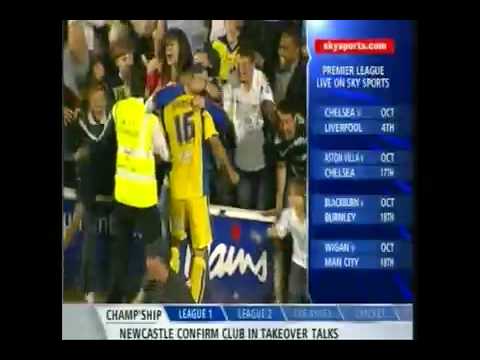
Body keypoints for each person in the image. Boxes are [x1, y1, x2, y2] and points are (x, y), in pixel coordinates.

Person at [153, 64, 239, 303]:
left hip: (176, 187)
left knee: (175, 244)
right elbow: (215, 143)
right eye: (202, 79)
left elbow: (161, 148)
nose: (205, 84)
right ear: (192, 80)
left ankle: (169, 297)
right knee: (200, 251)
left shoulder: (167, 109)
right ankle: (193, 304)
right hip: (197, 189)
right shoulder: (201, 110)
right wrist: (230, 171)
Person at [98, 74, 170, 303]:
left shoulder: (119, 110)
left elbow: (106, 142)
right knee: (155, 251)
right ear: (147, 92)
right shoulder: (151, 120)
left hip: (122, 194)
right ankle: (152, 300)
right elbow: (165, 154)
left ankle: (114, 300)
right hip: (144, 198)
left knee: (120, 252)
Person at [65, 85, 116, 303]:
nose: (98, 104)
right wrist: (82, 155)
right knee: (89, 238)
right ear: (88, 101)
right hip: (88, 191)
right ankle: (88, 289)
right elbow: (73, 153)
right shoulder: (78, 125)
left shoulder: (114, 123)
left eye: (101, 100)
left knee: (118, 241)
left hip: (114, 191)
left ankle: (116, 291)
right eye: (94, 100)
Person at [222, 45, 276, 210]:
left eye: (245, 65)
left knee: (261, 205)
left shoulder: (261, 79)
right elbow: (228, 116)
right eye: (239, 65)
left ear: (253, 65)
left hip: (261, 152)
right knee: (243, 203)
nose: (242, 70)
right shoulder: (232, 82)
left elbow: (268, 105)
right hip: (240, 151)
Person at [267, 177, 307, 303]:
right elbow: (279, 232)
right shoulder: (288, 214)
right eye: (290, 194)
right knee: (293, 299)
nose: (291, 198)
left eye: (296, 195)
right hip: (297, 263)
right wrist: (270, 231)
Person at [264, 99, 306, 218]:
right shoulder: (277, 139)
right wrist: (278, 206)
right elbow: (281, 168)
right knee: (291, 213)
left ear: (295, 119)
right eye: (281, 122)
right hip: (296, 176)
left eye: (287, 121)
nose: (283, 127)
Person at [265, 26, 306, 117]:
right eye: (280, 48)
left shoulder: (306, 75)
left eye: (285, 48)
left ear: (296, 50)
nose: (280, 53)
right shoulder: (269, 68)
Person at [146, 28, 193, 97]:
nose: (168, 48)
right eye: (166, 45)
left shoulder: (192, 74)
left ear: (182, 47)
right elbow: (146, 102)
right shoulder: (157, 76)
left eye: (171, 45)